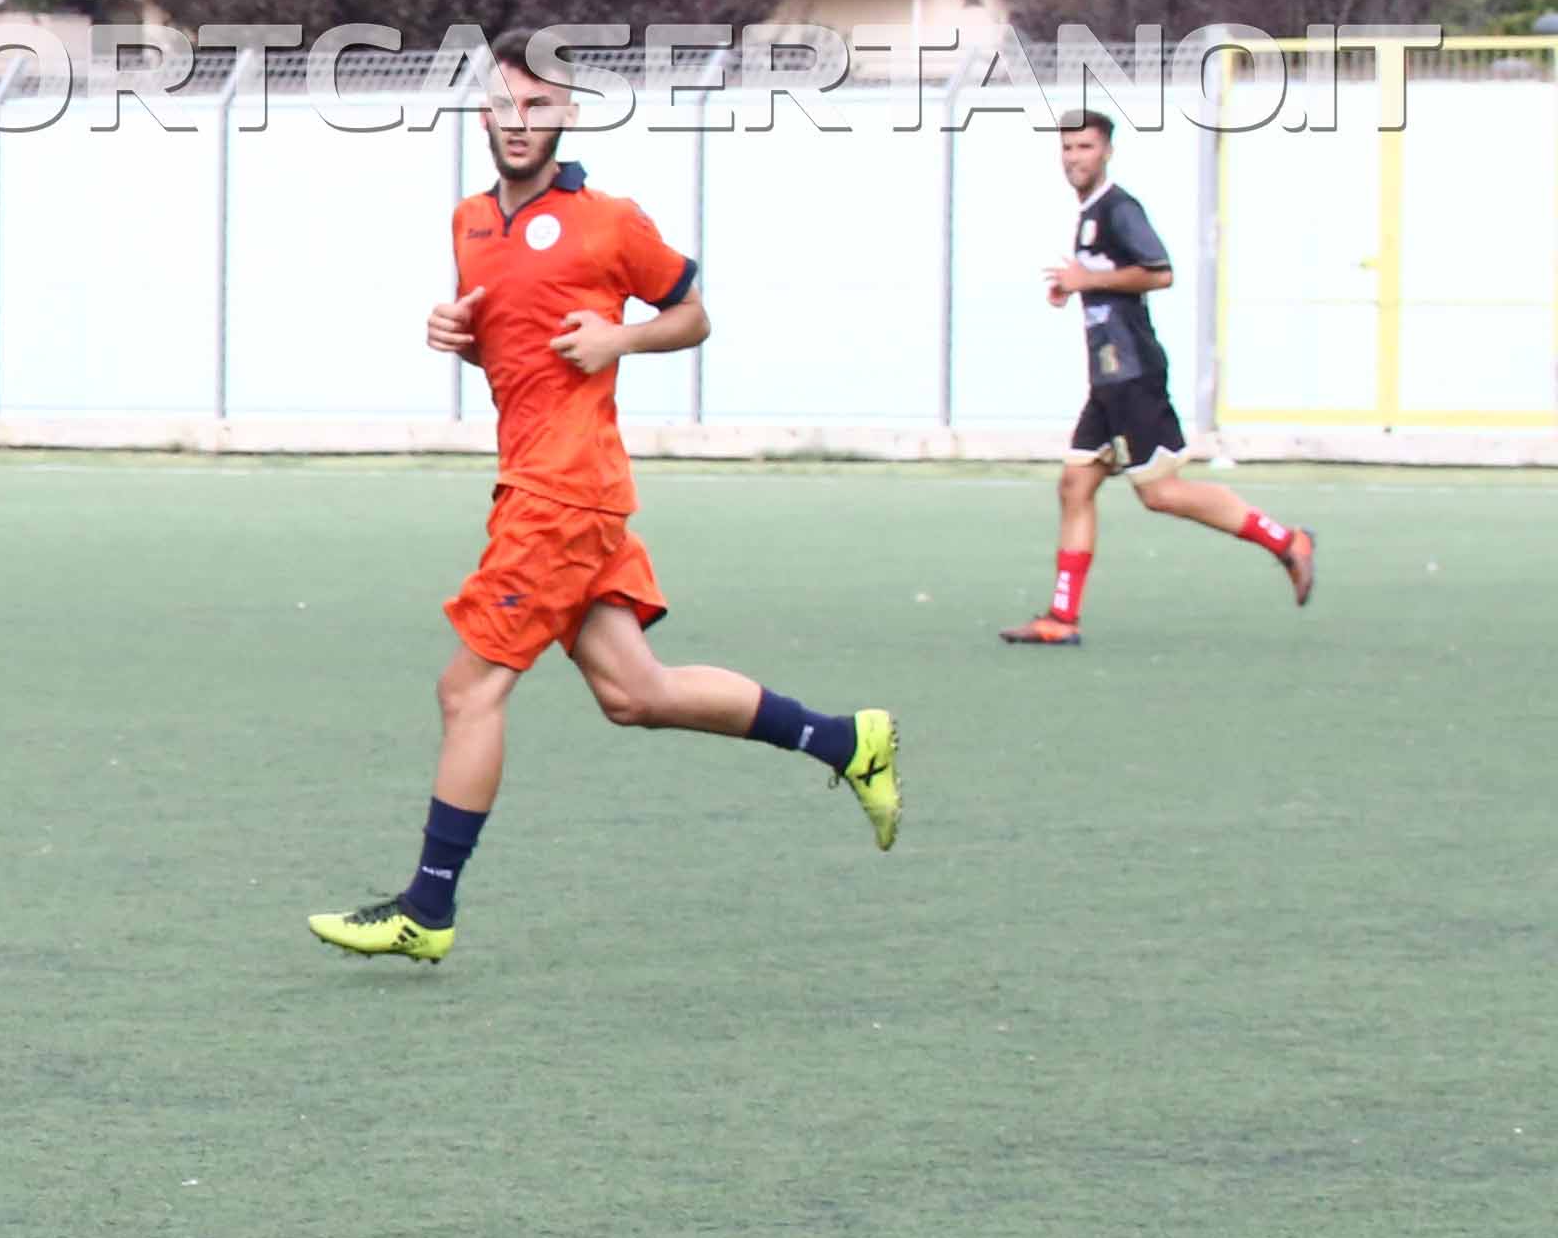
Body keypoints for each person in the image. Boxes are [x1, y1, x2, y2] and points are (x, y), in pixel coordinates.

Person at [312, 55, 899, 965]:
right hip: (544, 486)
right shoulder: (468, 224)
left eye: (537, 104)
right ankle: (845, 740)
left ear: (570, 116)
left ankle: (427, 911)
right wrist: (458, 341)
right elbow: (516, 357)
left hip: (563, 495)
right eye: (503, 101)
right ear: (481, 111)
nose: (518, 118)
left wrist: (623, 333)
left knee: (469, 691)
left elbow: (694, 314)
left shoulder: (609, 223)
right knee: (638, 694)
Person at [999, 109, 1316, 644]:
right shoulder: (1089, 213)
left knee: (1161, 493)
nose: (1075, 158)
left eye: (1086, 148)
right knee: (1076, 484)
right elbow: (1110, 281)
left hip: (1132, 375)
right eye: (1068, 148)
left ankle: (1287, 542)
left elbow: (1160, 271)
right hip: (1107, 378)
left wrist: (1088, 278)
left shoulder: (1120, 209)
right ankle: (1062, 618)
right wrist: (1080, 287)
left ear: (1107, 153)